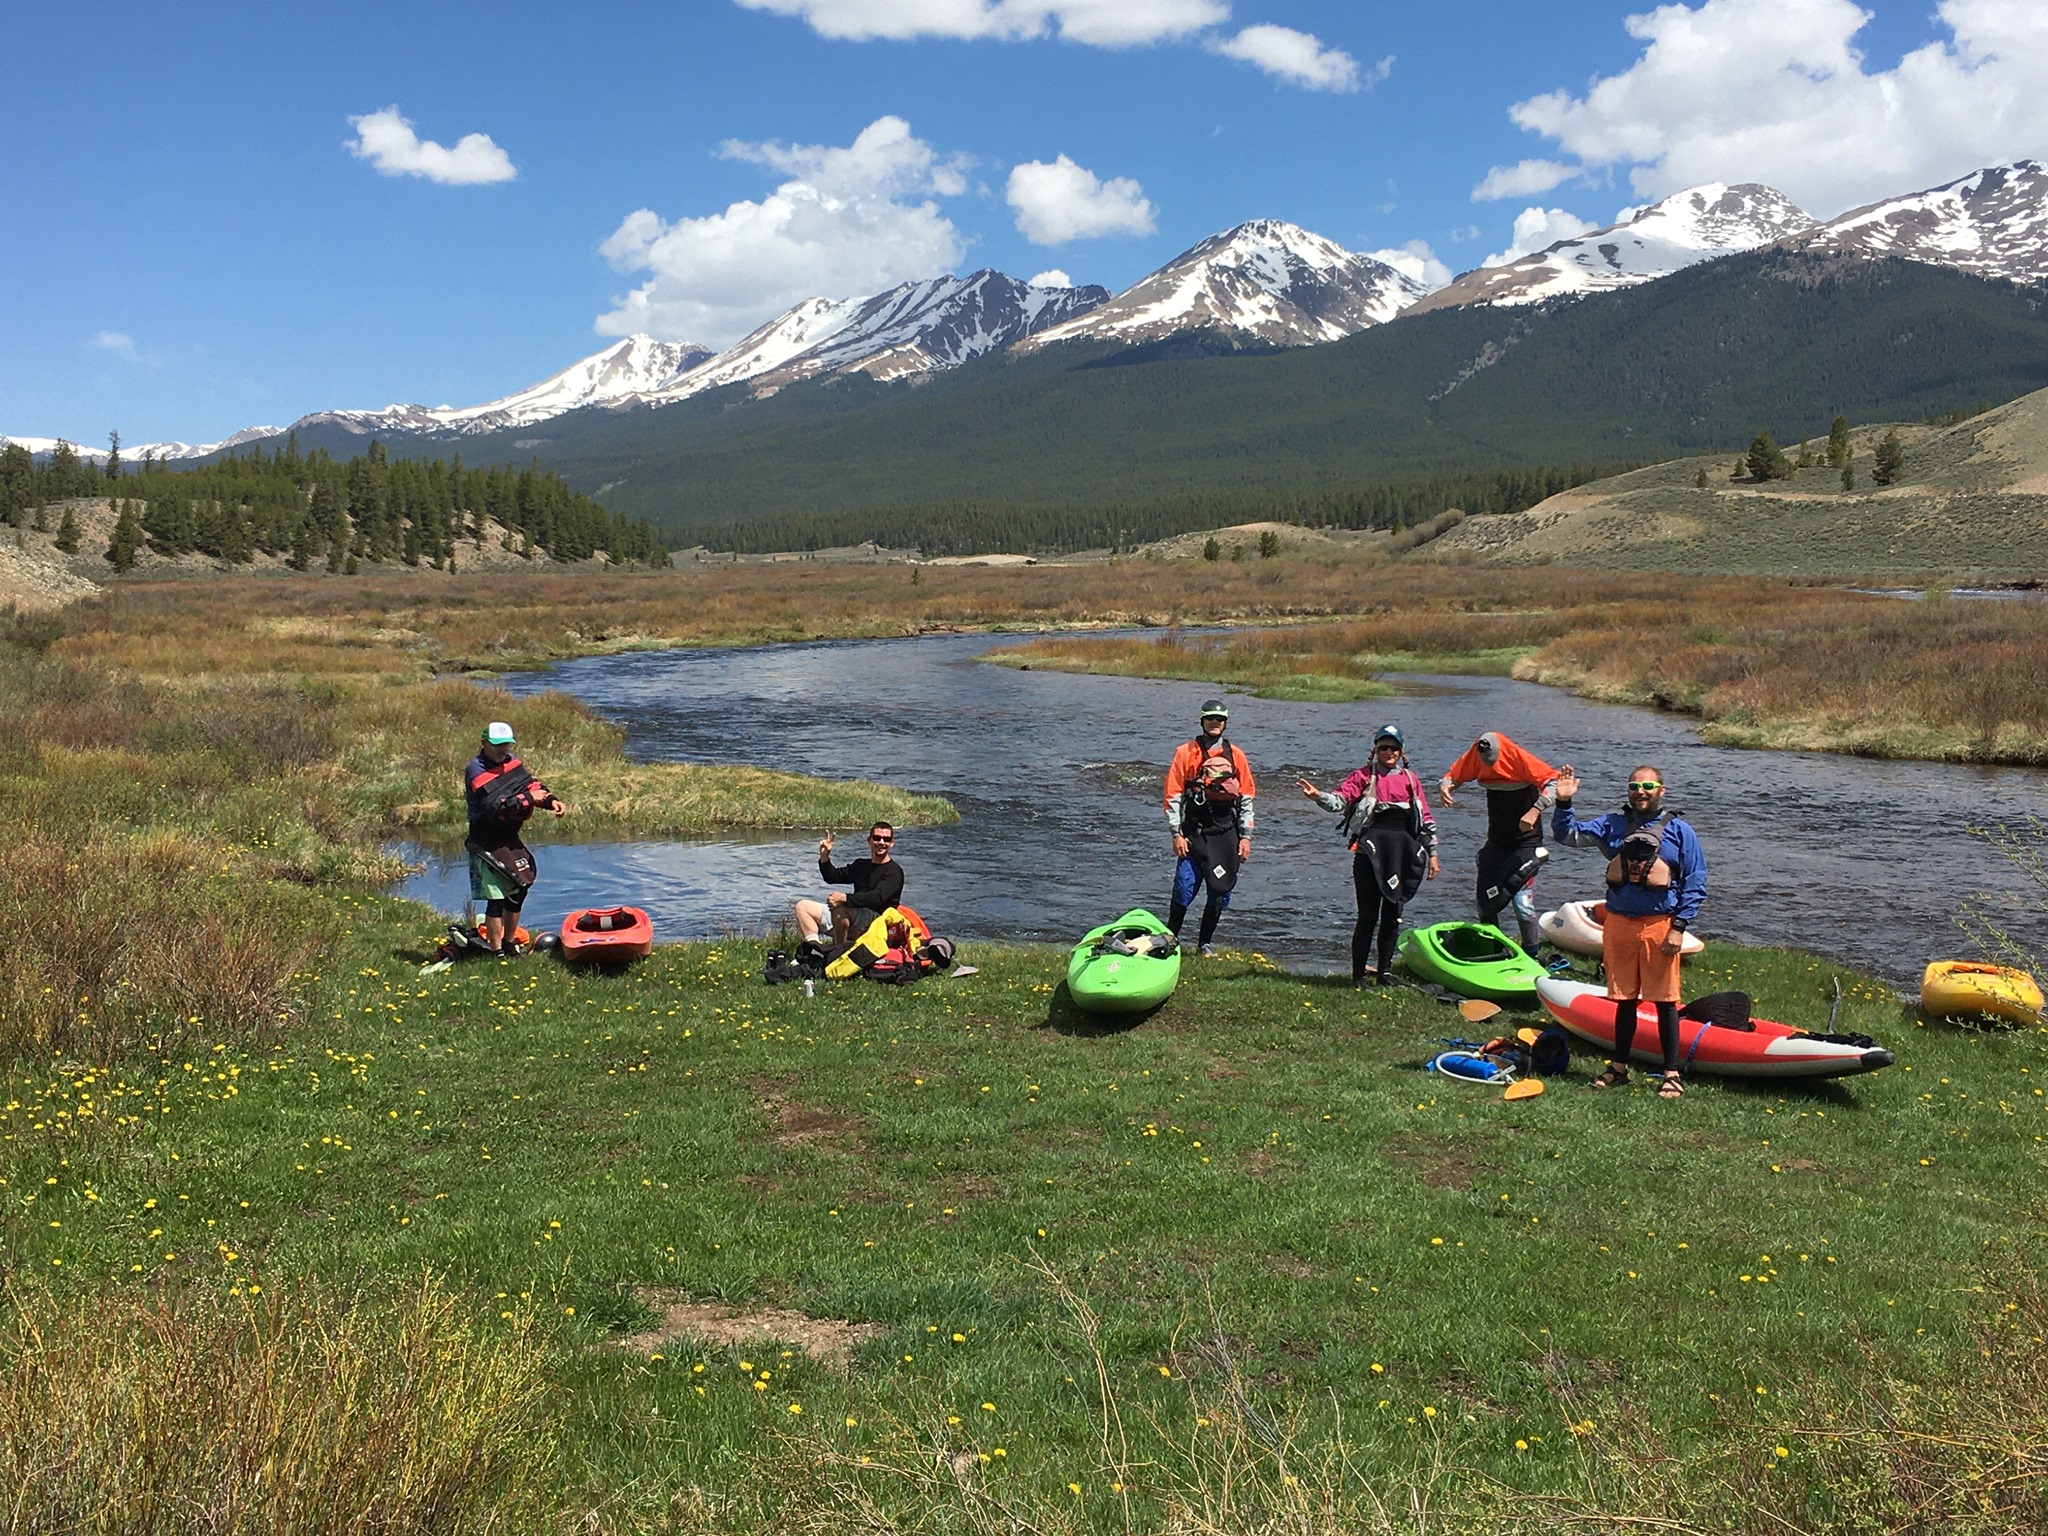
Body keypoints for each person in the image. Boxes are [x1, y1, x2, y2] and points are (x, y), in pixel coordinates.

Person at [1551, 764, 1708, 1099]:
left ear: (1661, 791)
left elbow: (1695, 881)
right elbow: (1569, 836)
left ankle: (1671, 1073)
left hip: (1660, 924)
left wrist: (1679, 926)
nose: (1640, 791)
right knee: (1623, 1000)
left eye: (1648, 786)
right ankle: (1619, 1068)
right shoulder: (1613, 824)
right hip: (1620, 923)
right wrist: (1563, 804)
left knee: (1666, 1002)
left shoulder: (1680, 831)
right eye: (1634, 786)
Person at [1297, 723, 1439, 985]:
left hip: (1401, 855)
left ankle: (1384, 972)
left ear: (1401, 750)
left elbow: (1426, 819)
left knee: (1393, 913)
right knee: (1367, 916)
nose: (1389, 752)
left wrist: (1432, 853)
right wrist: (1318, 796)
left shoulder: (1411, 780)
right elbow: (1339, 800)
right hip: (1368, 855)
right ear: (1375, 749)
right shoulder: (1362, 776)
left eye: (1394, 747)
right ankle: (1358, 975)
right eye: (1383, 747)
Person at [1436, 730, 1558, 951]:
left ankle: (1531, 953)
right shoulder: (1477, 754)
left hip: (1526, 842)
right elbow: (1453, 775)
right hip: (1497, 842)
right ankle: (1495, 950)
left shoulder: (1519, 758)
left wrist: (1534, 811)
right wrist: (1445, 786)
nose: (1490, 766)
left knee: (1522, 905)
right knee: (1486, 904)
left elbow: (1553, 783)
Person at [463, 721, 569, 956]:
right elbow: (495, 806)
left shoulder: (512, 764)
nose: (502, 750)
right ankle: (496, 951)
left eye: (506, 745)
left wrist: (551, 800)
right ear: (484, 744)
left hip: (509, 837)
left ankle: (510, 943)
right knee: (496, 899)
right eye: (497, 745)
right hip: (485, 839)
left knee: (520, 888)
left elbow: (532, 785)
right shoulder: (476, 769)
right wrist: (530, 798)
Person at [1163, 700, 1255, 957]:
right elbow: (1172, 796)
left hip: (1226, 834)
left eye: (1220, 719)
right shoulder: (1185, 753)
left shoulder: (1236, 755)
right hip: (1194, 833)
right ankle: (1171, 939)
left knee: (1220, 889)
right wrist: (1176, 833)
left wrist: (1245, 837)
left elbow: (1246, 797)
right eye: (1210, 718)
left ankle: (1204, 943)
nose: (1215, 723)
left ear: (1226, 723)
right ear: (1202, 721)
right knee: (1184, 886)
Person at [795, 822, 905, 946]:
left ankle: (838, 952)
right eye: (876, 838)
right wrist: (824, 857)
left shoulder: (894, 872)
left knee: (841, 909)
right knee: (802, 907)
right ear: (869, 840)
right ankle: (814, 948)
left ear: (892, 843)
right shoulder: (861, 865)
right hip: (854, 914)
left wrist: (845, 898)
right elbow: (832, 877)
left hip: (878, 921)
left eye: (886, 839)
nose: (881, 842)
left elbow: (877, 897)